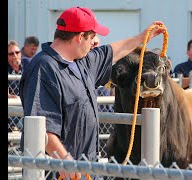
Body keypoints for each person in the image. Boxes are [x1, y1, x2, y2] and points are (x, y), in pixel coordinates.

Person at [19, 6, 166, 180]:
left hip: (86, 166)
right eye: (92, 37)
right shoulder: (43, 69)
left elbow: (113, 51)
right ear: (80, 37)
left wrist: (142, 38)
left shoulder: (82, 62)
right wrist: (64, 161)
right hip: (59, 170)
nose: (94, 42)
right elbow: (43, 127)